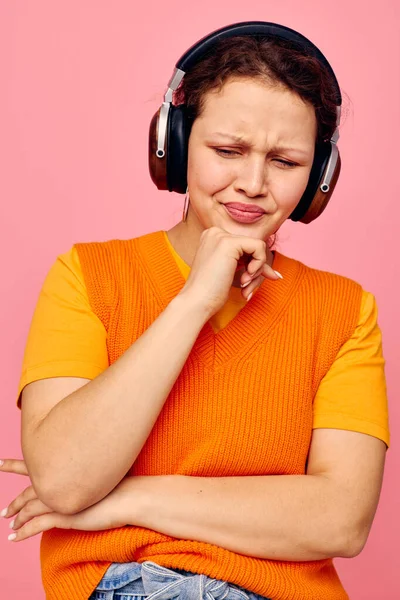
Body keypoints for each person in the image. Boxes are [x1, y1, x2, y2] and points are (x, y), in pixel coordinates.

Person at [0, 21, 389, 600]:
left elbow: (341, 520)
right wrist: (194, 302)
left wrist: (131, 498)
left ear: (319, 180)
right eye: (227, 151)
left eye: (285, 162)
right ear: (175, 145)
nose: (253, 184)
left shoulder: (344, 310)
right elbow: (63, 478)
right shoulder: (86, 277)